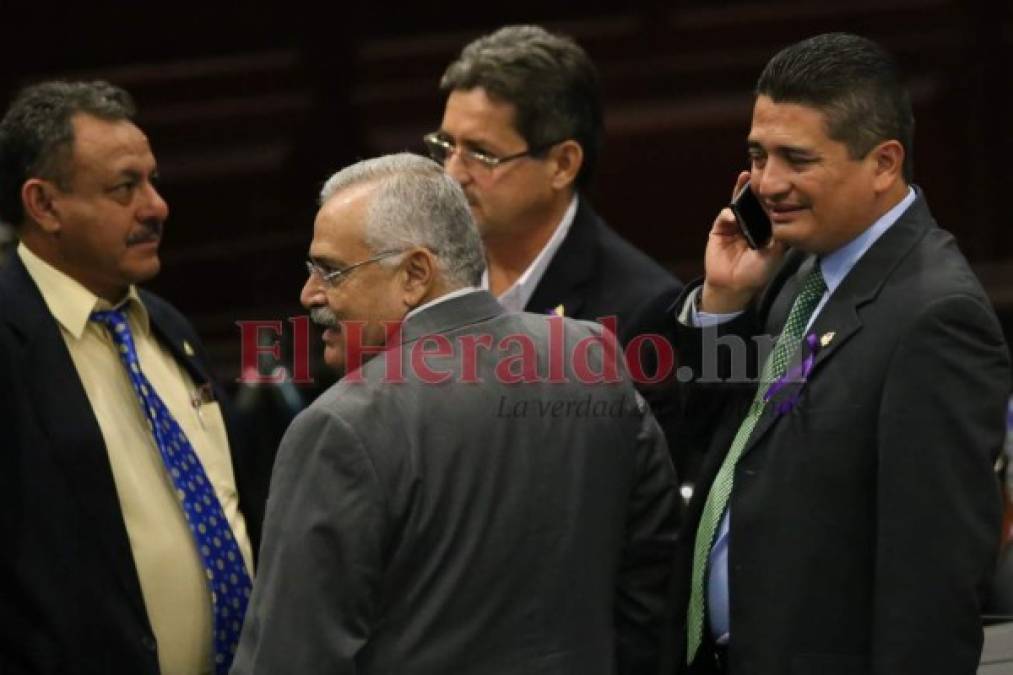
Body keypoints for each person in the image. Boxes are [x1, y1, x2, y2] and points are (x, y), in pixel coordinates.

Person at [232, 153, 680, 675]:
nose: (309, 294)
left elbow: (294, 658)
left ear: (415, 274)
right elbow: (654, 565)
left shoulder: (339, 428)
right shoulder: (588, 353)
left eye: (331, 271)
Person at [657, 33, 1011, 675]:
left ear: (883, 163)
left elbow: (932, 588)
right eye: (758, 155)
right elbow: (711, 442)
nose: (767, 184)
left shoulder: (938, 320)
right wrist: (724, 304)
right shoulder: (798, 269)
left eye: (798, 159)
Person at [0, 81, 262, 675]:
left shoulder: (167, 325)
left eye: (152, 180)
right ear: (44, 205)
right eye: (125, 187)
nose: (156, 206)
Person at [426, 24, 682, 344]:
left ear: (562, 165)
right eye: (446, 146)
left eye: (482, 153)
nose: (453, 174)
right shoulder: (423, 275)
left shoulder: (639, 312)